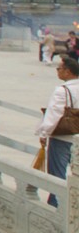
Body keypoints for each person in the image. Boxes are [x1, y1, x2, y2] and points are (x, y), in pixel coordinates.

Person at [37, 57, 79, 207]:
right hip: (77, 138)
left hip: (63, 138)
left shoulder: (62, 90)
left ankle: (57, 205)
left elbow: (54, 114)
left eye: (59, 69)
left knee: (57, 175)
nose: (57, 71)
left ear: (68, 71)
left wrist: (44, 133)